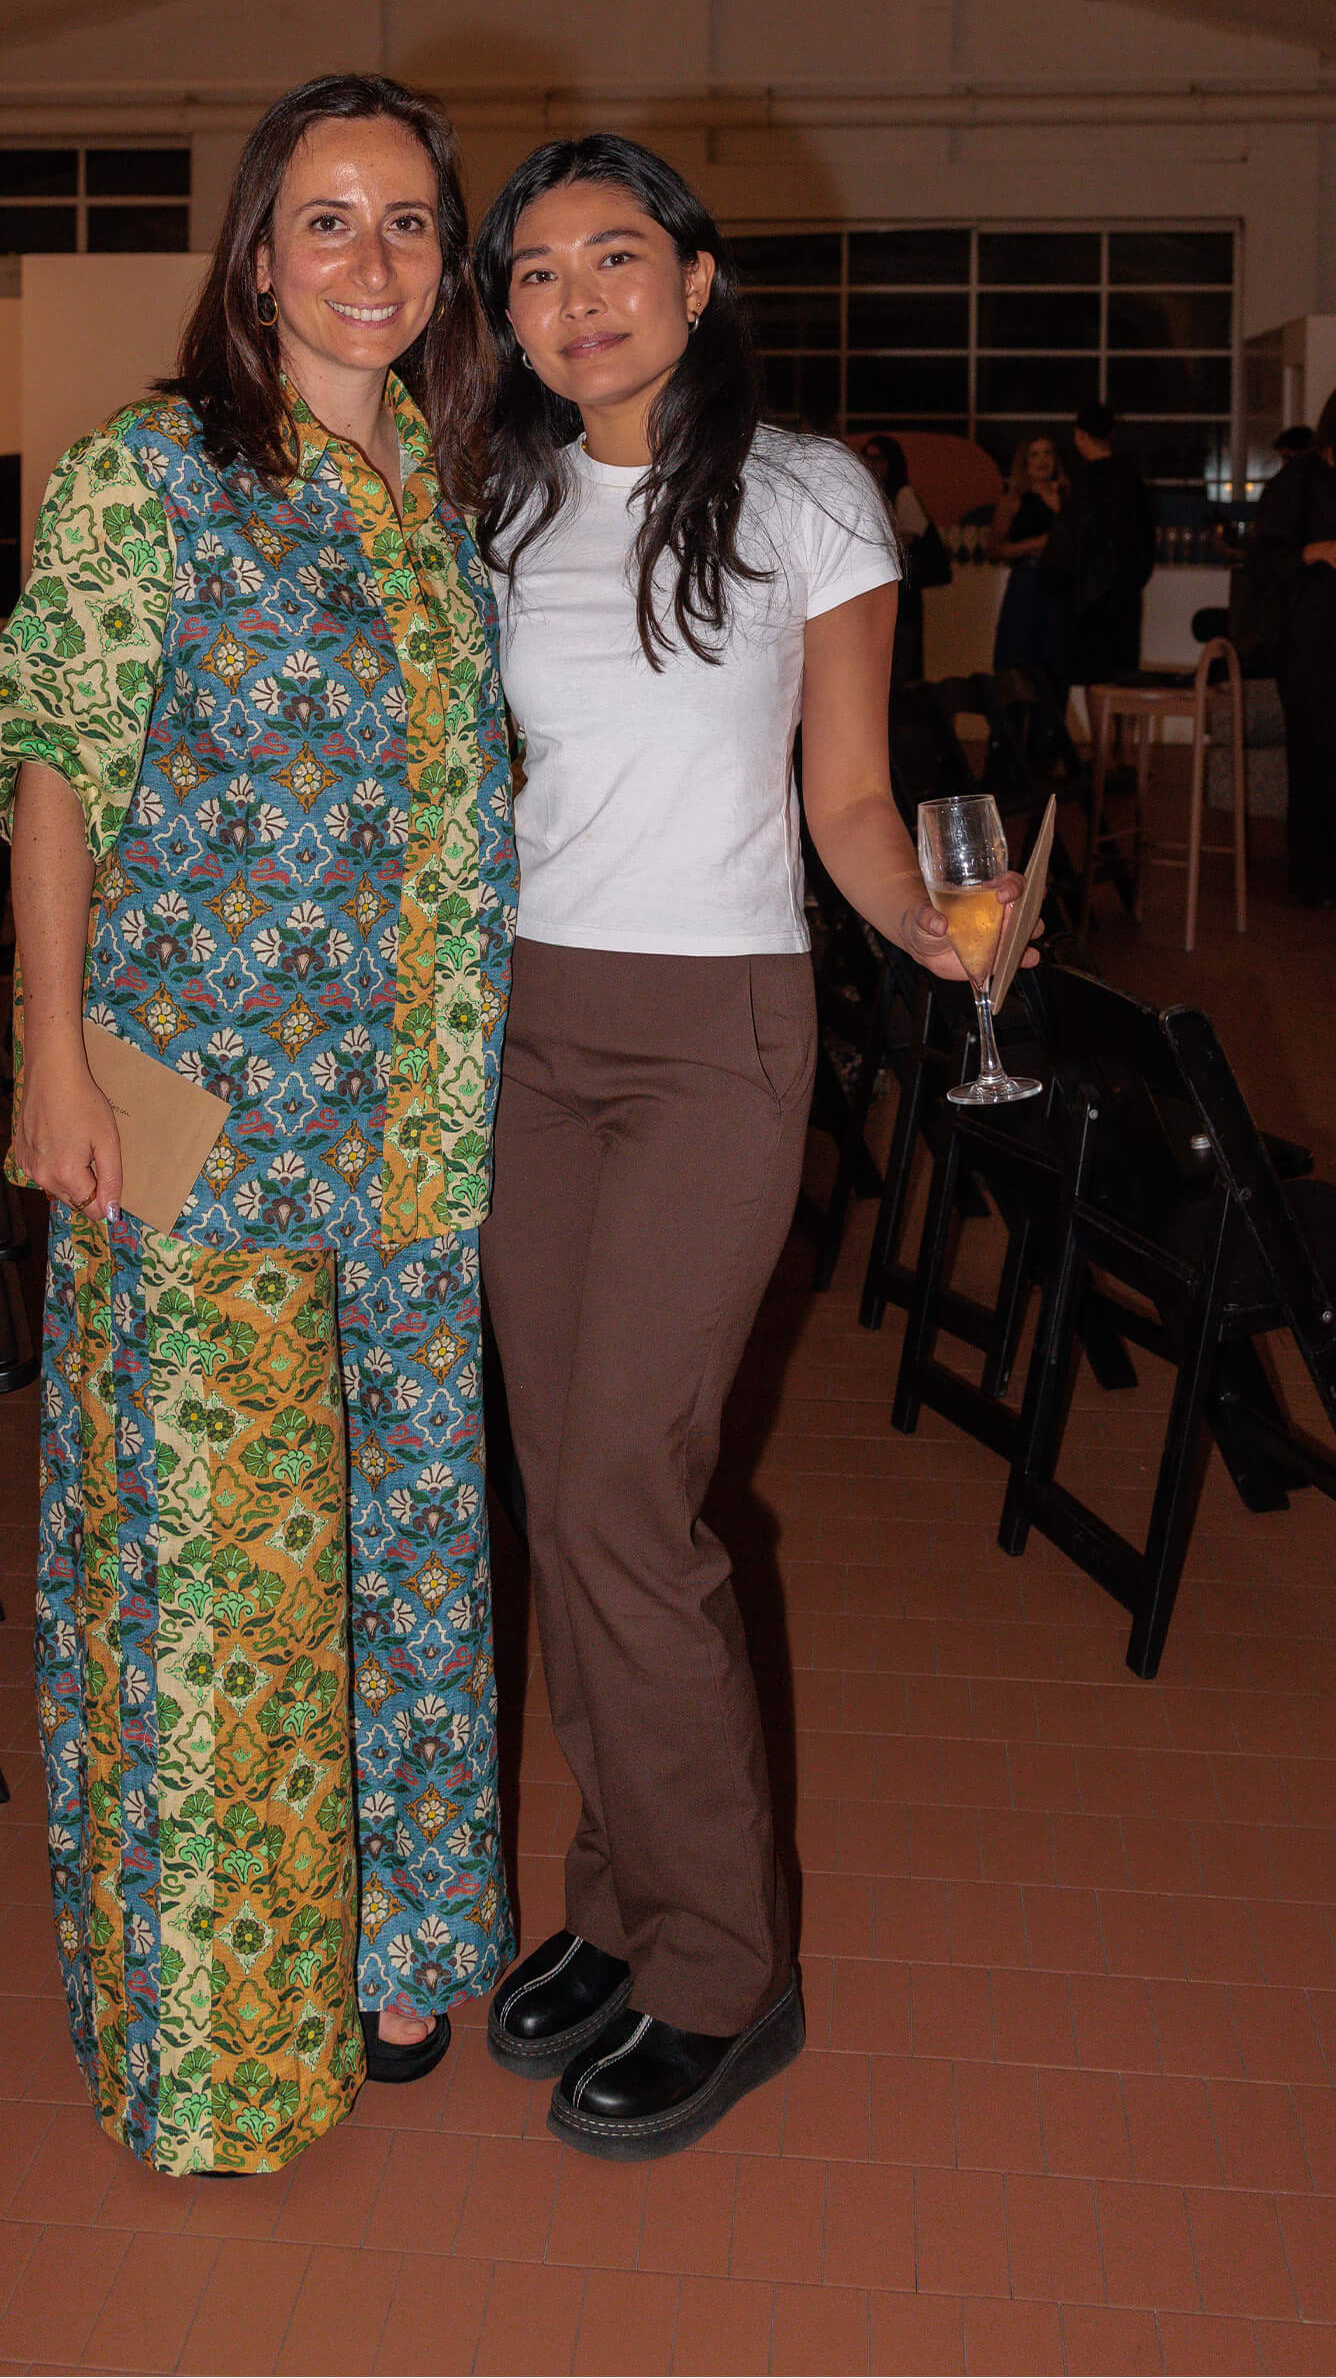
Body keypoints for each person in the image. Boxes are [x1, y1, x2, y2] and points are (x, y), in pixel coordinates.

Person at [0, 73, 516, 2177]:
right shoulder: (149, 479)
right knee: (214, 1584)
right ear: (256, 254)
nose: (374, 262)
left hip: (409, 1135)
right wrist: (52, 1048)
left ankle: (394, 1941)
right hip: (197, 1113)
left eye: (411, 225)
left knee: (408, 1554)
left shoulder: (447, 503)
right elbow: (55, 765)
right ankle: (215, 2033)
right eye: (329, 220)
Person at [469, 135, 1034, 2164]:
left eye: (616, 256)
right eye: (533, 272)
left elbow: (855, 802)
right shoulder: (506, 496)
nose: (575, 298)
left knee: (634, 1490)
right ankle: (622, 1907)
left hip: (717, 1033)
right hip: (528, 1028)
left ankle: (729, 1967)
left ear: (698, 280)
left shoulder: (806, 493)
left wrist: (942, 934)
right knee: (562, 1490)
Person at [1243, 386, 1336, 905]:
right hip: (1309, 643)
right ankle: (1314, 880)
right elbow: (1261, 563)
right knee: (1316, 755)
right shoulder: (1298, 481)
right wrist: (1316, 550)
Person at [1037, 400, 1156, 686]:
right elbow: (1144, 539)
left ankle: (1101, 733)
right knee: (1124, 677)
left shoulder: (1087, 483)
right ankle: (1124, 733)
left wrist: (1058, 512)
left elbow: (1076, 537)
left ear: (1080, 435)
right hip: (1125, 596)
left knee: (1095, 679)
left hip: (1090, 596)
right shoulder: (1131, 480)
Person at [858, 431, 946, 681]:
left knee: (902, 660)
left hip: (902, 589)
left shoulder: (903, 494)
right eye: (867, 458)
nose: (872, 465)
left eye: (878, 459)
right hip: (882, 587)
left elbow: (908, 538)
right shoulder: (873, 494)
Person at [990, 432, 1069, 680]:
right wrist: (1035, 544)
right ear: (1025, 462)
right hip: (1026, 582)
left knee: (1055, 665)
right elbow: (994, 548)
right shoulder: (1013, 500)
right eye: (1035, 454)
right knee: (1016, 664)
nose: (1042, 460)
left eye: (1048, 453)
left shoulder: (1068, 497)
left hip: (1060, 585)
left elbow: (1079, 540)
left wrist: (1058, 507)